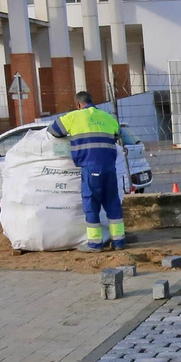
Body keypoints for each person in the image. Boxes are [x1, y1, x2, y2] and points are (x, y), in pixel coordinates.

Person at [48, 91, 126, 251]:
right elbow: (119, 134)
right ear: (92, 101)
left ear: (78, 105)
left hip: (90, 167)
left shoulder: (74, 116)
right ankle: (119, 242)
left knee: (91, 204)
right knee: (113, 203)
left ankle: (95, 244)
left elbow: (54, 130)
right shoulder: (107, 117)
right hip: (110, 168)